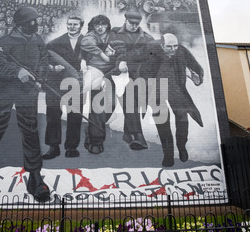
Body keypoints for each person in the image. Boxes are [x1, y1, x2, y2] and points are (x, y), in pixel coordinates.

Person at [0, 6, 51, 204]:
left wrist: (40, 77)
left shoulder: (37, 40)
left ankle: (35, 177)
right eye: (32, 21)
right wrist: (17, 71)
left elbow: (44, 60)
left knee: (30, 132)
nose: (36, 24)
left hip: (27, 92)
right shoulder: (5, 41)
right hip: (3, 92)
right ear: (21, 24)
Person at [140, 33, 204, 167]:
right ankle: (168, 155)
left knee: (182, 119)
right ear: (162, 45)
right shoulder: (150, 51)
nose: (173, 49)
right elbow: (141, 72)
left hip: (175, 87)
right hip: (157, 89)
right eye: (169, 47)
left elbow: (196, 66)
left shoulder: (181, 50)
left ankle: (181, 146)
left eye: (175, 46)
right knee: (162, 122)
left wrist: (197, 76)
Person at [80, 15, 125, 154]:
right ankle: (96, 141)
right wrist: (101, 53)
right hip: (95, 71)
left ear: (107, 25)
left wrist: (120, 61)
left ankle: (92, 128)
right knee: (98, 105)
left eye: (103, 24)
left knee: (110, 105)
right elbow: (86, 43)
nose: (100, 27)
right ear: (93, 26)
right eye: (97, 25)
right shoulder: (90, 35)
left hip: (110, 72)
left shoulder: (113, 35)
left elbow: (122, 49)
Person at [42, 15, 85, 159]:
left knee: (75, 115)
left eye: (75, 25)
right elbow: (43, 62)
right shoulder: (54, 43)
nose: (71, 27)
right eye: (69, 24)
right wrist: (53, 68)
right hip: (56, 82)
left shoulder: (88, 43)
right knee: (53, 115)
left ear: (81, 26)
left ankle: (71, 147)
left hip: (76, 84)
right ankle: (53, 147)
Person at [112, 10, 155, 150]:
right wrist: (120, 60)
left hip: (139, 76)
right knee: (130, 103)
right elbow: (112, 50)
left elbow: (152, 56)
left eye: (137, 24)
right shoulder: (114, 32)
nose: (135, 26)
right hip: (119, 74)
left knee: (133, 104)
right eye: (132, 23)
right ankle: (138, 136)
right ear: (125, 20)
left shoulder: (147, 38)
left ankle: (127, 133)